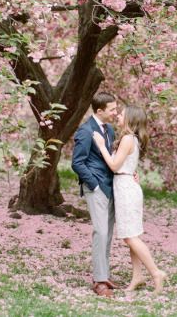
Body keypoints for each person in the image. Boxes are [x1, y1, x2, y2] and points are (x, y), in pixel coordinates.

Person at [93, 105, 167, 294]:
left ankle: (156, 273)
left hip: (126, 188)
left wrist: (101, 146)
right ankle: (137, 276)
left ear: (130, 119)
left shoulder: (127, 138)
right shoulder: (130, 138)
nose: (118, 115)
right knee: (132, 234)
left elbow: (115, 166)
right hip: (127, 186)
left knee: (129, 236)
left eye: (122, 114)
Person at [71, 92, 118, 298]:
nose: (116, 113)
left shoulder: (110, 130)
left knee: (107, 234)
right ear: (100, 111)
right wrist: (95, 185)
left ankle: (103, 275)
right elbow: (77, 163)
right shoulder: (85, 131)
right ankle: (99, 281)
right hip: (97, 188)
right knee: (100, 232)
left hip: (111, 188)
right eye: (113, 110)